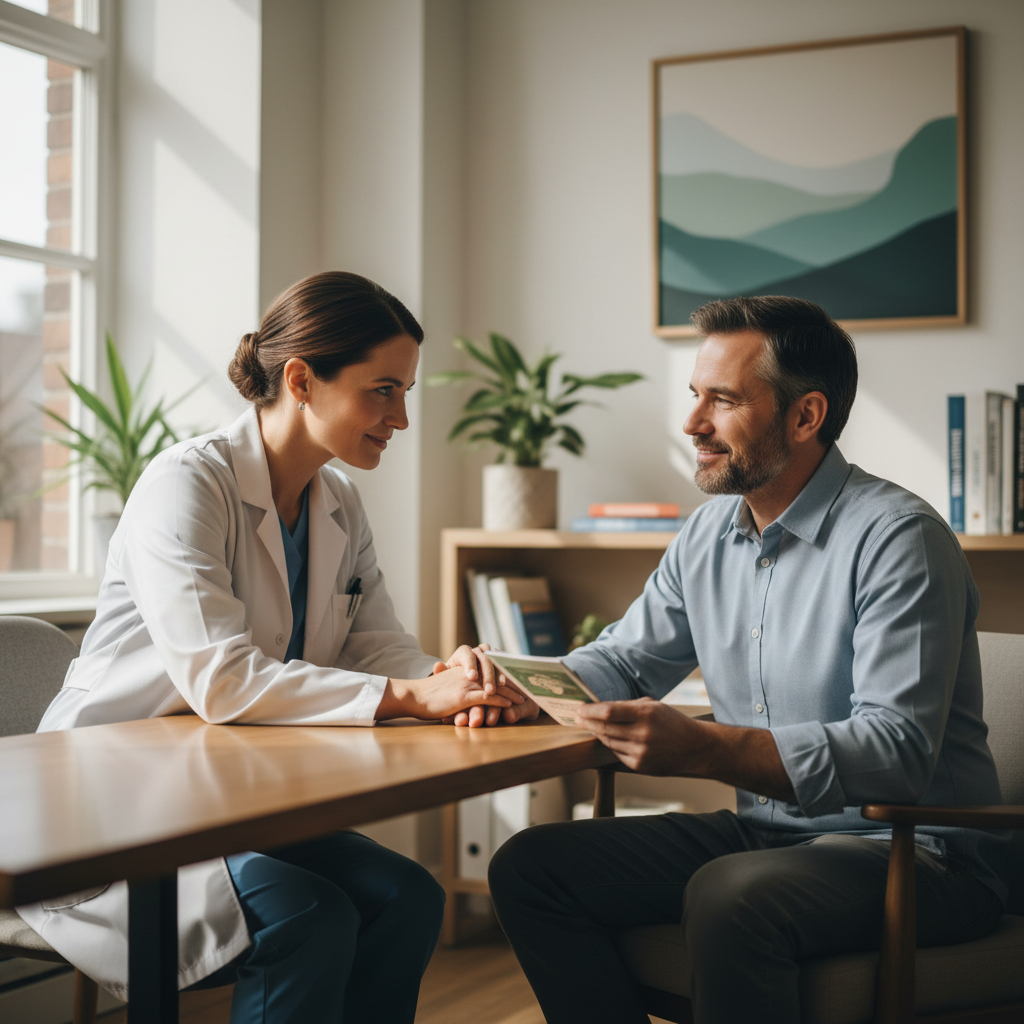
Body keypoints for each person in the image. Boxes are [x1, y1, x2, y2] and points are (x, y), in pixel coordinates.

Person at [17, 271, 535, 1022]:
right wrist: (414, 696)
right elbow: (221, 681)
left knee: (409, 896)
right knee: (305, 915)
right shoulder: (185, 486)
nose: (401, 418)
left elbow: (375, 642)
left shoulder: (337, 499)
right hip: (114, 810)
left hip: (225, 800)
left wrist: (448, 673)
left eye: (405, 393)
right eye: (382, 390)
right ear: (301, 379)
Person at [487, 295, 1008, 1024]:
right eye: (696, 396)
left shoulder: (900, 540)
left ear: (805, 416)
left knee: (731, 896)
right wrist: (513, 686)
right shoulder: (705, 537)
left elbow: (896, 753)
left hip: (917, 855)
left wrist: (706, 749)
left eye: (723, 400)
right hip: (769, 834)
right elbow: (625, 662)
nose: (693, 423)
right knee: (532, 868)